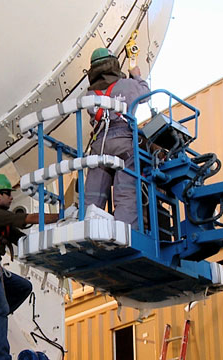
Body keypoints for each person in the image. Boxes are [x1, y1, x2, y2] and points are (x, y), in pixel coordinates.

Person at [0, 173, 59, 360]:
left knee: (24, 287)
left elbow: (22, 241)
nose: (11, 197)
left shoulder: (2, 222)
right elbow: (30, 218)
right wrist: (61, 216)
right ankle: (1, 357)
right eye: (8, 193)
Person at [84, 47, 150, 229]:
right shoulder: (128, 85)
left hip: (99, 144)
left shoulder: (89, 95)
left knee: (93, 195)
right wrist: (136, 75)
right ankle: (125, 231)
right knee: (126, 192)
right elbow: (145, 94)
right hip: (124, 142)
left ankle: (88, 230)